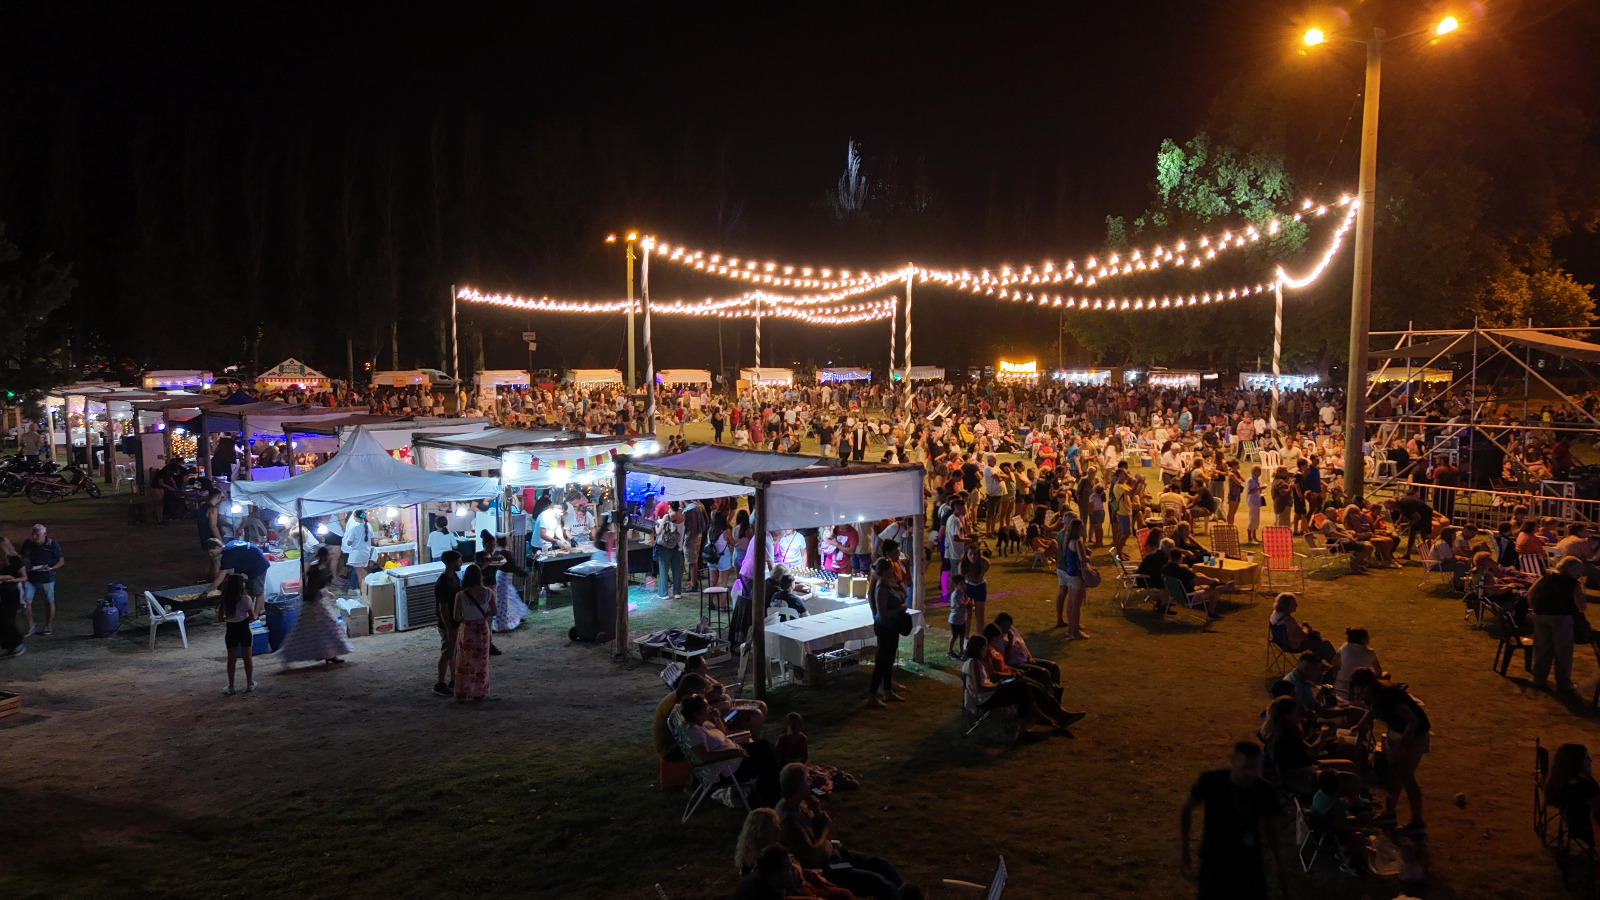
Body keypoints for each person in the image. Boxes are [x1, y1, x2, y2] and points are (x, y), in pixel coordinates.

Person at [1178, 742, 1289, 900]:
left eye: (1255, 769)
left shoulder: (1265, 791)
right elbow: (1186, 808)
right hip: (1215, 859)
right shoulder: (1212, 781)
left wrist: (1279, 864)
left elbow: (1271, 829)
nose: (1251, 774)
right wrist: (1184, 850)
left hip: (1249, 861)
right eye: (1246, 767)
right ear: (1232, 761)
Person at [776, 763, 902, 900]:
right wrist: (826, 827)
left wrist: (817, 811)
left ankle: (907, 895)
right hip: (828, 867)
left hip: (835, 854)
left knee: (881, 864)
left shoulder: (800, 802)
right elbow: (812, 854)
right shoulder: (788, 820)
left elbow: (818, 827)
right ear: (800, 787)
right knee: (877, 881)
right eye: (808, 779)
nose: (811, 782)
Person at [1349, 668, 1431, 833]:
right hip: (1397, 734)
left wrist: (1402, 742)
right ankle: (1389, 813)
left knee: (1407, 777)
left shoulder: (1389, 695)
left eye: (1359, 688)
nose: (1357, 692)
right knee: (1394, 775)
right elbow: (1372, 711)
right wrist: (1358, 726)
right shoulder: (1375, 695)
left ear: (1368, 685)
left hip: (1413, 736)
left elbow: (1413, 721)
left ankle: (1417, 822)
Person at [681, 693, 781, 806]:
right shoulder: (693, 732)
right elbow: (705, 756)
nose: (710, 708)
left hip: (733, 759)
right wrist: (734, 752)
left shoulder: (704, 723)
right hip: (727, 769)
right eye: (706, 707)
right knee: (765, 756)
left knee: (765, 747)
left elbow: (722, 733)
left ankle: (776, 789)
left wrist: (716, 717)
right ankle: (775, 796)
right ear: (696, 713)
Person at [734, 809, 853, 900]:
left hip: (805, 883)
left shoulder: (776, 846)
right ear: (761, 833)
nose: (780, 830)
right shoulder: (756, 864)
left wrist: (811, 874)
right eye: (774, 828)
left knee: (845, 894)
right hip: (797, 892)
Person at [276, 546, 356, 667]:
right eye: (329, 554)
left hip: (318, 601)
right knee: (310, 630)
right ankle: (289, 655)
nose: (331, 556)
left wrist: (326, 592)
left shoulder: (321, 568)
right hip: (314, 603)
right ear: (325, 556)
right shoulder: (315, 569)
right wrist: (312, 604)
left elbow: (318, 585)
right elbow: (312, 587)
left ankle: (330, 654)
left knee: (325, 629)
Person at [1529, 556, 1588, 693]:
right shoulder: (1572, 584)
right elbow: (1581, 606)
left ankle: (1538, 678)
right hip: (1562, 617)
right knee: (1563, 652)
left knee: (1542, 648)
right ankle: (1563, 683)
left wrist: (1534, 608)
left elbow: (1530, 594)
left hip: (1541, 615)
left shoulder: (1546, 577)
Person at [865, 556, 907, 708]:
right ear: (884, 571)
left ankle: (888, 691)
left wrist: (899, 580)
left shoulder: (889, 584)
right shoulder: (881, 588)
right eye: (890, 569)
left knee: (889, 660)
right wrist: (900, 609)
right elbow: (882, 613)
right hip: (885, 628)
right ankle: (872, 695)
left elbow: (905, 593)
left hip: (892, 627)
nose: (893, 570)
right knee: (881, 662)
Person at [452, 564, 497, 702]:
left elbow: (456, 616)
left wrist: (466, 617)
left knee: (465, 661)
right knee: (481, 661)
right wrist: (484, 613)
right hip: (482, 629)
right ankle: (479, 690)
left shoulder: (461, 595)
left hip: (467, 630)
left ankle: (465, 691)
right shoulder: (488, 592)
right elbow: (494, 611)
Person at [1544, 744, 1600, 849]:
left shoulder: (1564, 781)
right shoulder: (1583, 787)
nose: (1590, 761)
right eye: (1587, 758)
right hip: (1590, 830)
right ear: (1578, 763)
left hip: (1575, 826)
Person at [216, 573, 264, 695]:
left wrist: (230, 619)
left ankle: (231, 686)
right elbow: (252, 617)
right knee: (247, 658)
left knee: (231, 659)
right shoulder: (245, 599)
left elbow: (220, 618)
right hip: (243, 628)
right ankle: (249, 683)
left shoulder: (224, 599)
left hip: (231, 629)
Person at [992, 611, 1061, 689]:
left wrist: (1029, 656)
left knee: (1054, 667)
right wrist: (1010, 641)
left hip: (1024, 659)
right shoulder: (998, 638)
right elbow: (1005, 659)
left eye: (1008, 626)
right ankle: (1045, 696)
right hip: (1015, 663)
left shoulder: (1012, 630)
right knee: (1044, 673)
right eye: (1004, 626)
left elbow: (1022, 644)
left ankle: (1054, 692)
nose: (1007, 629)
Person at [18, 523, 64, 636]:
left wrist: (51, 568)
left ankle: (48, 626)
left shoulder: (52, 545)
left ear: (45, 535)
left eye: (37, 535)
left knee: (49, 601)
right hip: (30, 577)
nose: (34, 537)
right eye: (33, 534)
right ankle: (31, 625)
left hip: (46, 577)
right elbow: (21, 556)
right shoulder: (28, 544)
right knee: (25, 602)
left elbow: (61, 560)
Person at [1268, 593, 1335, 662]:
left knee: (1315, 636)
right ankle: (1336, 663)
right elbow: (1303, 635)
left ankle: (1316, 662)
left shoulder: (1275, 615)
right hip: (1293, 646)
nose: (1296, 605)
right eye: (1294, 604)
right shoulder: (1288, 620)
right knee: (1324, 643)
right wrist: (1305, 627)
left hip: (1280, 642)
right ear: (1287, 606)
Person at [207, 538, 269, 610]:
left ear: (217, 547)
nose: (210, 555)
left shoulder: (228, 555)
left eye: (211, 552)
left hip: (259, 566)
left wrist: (207, 591)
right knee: (251, 591)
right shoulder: (229, 545)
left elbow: (220, 578)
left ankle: (255, 616)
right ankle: (257, 611)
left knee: (258, 592)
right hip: (254, 563)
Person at [1053, 518, 1090, 638]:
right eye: (1082, 527)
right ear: (1078, 529)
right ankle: (1075, 631)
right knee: (1076, 605)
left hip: (1070, 573)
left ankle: (1070, 629)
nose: (1084, 529)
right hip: (1076, 575)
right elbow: (1083, 559)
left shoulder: (1068, 541)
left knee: (1070, 603)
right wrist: (1088, 557)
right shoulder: (1077, 542)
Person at [432, 550, 462, 696]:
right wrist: (449, 627)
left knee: (452, 652)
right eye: (459, 561)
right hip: (447, 623)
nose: (461, 563)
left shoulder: (452, 576)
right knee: (447, 653)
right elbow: (442, 608)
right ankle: (440, 683)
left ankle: (453, 680)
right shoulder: (443, 582)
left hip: (452, 621)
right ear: (451, 563)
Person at [1330, 626, 1381, 701]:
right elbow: (1378, 671)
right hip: (1359, 688)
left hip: (1340, 685)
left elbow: (1334, 661)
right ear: (1364, 639)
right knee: (1385, 675)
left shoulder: (1345, 646)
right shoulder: (1370, 653)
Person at [0, 538, 28, 658]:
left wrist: (11, 579)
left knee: (8, 620)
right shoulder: (1, 560)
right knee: (2, 620)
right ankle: (11, 646)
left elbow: (24, 577)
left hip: (12, 593)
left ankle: (17, 644)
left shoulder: (15, 560)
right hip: (2, 593)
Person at [655, 501, 686, 600]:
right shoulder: (683, 517)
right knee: (676, 570)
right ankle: (677, 592)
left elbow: (659, 532)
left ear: (670, 506)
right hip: (678, 546)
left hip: (666, 547)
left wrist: (656, 526)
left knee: (664, 569)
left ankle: (663, 593)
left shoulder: (667, 516)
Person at [957, 544, 989, 634]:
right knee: (967, 615)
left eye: (975, 554)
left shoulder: (984, 562)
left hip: (980, 586)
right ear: (966, 555)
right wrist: (964, 596)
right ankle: (966, 638)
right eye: (970, 554)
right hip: (968, 587)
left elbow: (986, 567)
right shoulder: (962, 564)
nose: (973, 557)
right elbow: (961, 580)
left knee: (980, 615)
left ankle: (980, 637)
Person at [340, 510, 374, 592]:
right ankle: (368, 590)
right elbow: (372, 538)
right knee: (363, 572)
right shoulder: (368, 525)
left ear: (355, 516)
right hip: (366, 553)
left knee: (359, 574)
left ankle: (362, 592)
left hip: (357, 554)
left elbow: (349, 542)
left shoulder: (354, 527)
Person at [196, 489, 223, 579]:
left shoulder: (201, 507)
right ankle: (216, 585)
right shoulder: (213, 509)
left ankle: (206, 580)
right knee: (217, 562)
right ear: (218, 497)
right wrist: (221, 542)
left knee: (207, 561)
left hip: (203, 538)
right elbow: (213, 526)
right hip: (212, 540)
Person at [946, 572, 972, 658]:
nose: (964, 585)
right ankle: (949, 651)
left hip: (961, 620)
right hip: (955, 620)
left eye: (964, 583)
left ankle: (961, 650)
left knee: (962, 636)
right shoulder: (955, 595)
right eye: (961, 584)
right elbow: (962, 605)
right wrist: (968, 600)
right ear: (955, 585)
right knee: (954, 636)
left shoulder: (961, 592)